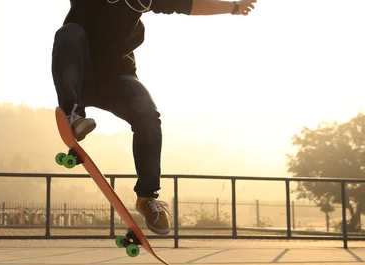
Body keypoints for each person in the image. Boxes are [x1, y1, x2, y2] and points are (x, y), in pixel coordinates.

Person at [52, 0, 257, 235]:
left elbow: (190, 5)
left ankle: (147, 197)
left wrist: (233, 7)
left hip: (118, 79)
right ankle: (72, 113)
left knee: (148, 117)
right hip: (81, 77)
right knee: (69, 33)